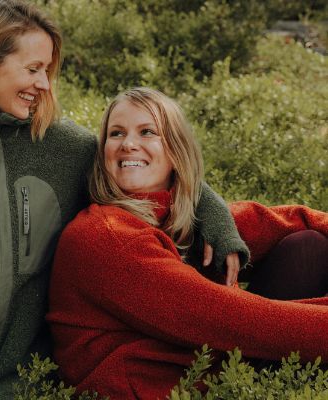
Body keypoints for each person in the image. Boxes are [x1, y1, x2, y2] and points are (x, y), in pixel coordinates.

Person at [0, 1, 247, 398]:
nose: (44, 84)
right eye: (33, 69)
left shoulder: (63, 147)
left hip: (29, 389)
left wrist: (216, 219)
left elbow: (151, 165)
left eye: (47, 70)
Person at [47, 87, 328, 399]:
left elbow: (267, 222)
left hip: (204, 367)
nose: (128, 144)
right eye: (116, 133)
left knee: (307, 245)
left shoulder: (172, 215)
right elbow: (231, 319)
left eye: (146, 132)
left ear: (176, 151)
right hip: (158, 388)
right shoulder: (106, 235)